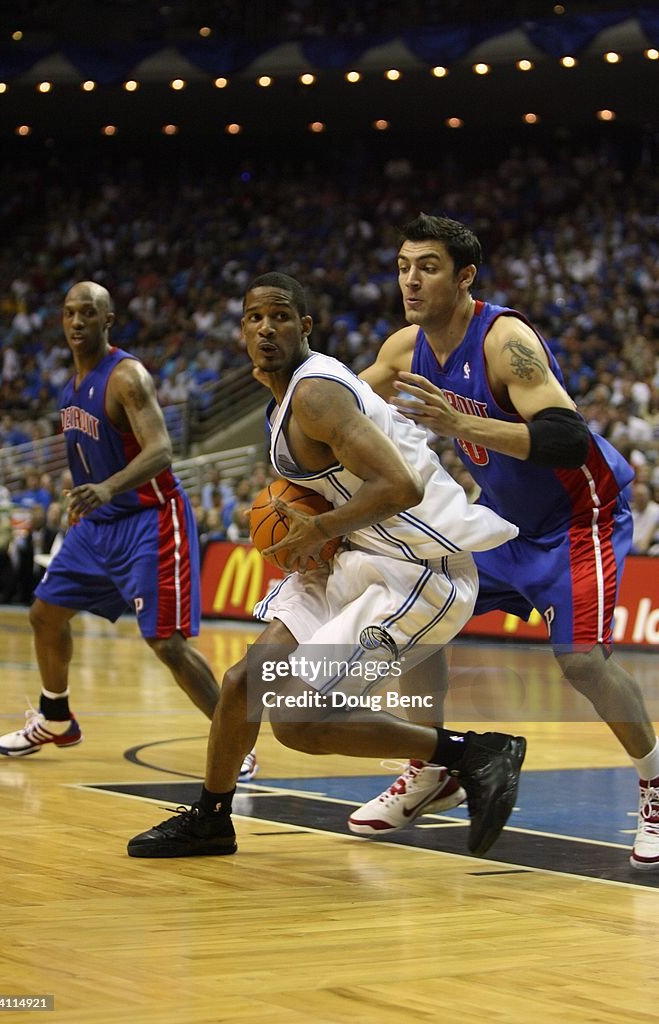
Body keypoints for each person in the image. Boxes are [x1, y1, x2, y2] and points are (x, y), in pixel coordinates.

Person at [127, 272, 526, 859]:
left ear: (304, 326)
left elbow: (400, 485)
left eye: (281, 316)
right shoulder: (283, 401)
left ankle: (471, 753)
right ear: (241, 330)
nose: (267, 328)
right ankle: (212, 818)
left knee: (294, 718)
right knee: (243, 683)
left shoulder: (316, 393)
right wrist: (282, 515)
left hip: (418, 570)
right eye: (255, 317)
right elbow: (326, 486)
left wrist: (315, 529)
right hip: (360, 553)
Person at [356, 213, 659, 871]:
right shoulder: (404, 348)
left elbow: (566, 439)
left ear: (464, 276)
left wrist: (456, 420)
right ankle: (433, 765)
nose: (410, 279)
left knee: (580, 662)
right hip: (504, 522)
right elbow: (339, 403)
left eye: (427, 266)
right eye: (404, 265)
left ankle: (656, 785)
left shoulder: (503, 341)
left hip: (579, 518)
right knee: (418, 606)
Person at [0, 281, 258, 783]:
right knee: (45, 615)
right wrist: (84, 499)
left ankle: (236, 742)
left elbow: (161, 450)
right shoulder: (71, 384)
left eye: (87, 314)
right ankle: (55, 717)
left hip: (149, 518)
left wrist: (106, 488)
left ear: (107, 320)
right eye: (69, 313)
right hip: (99, 522)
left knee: (167, 643)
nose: (76, 322)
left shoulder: (127, 376)